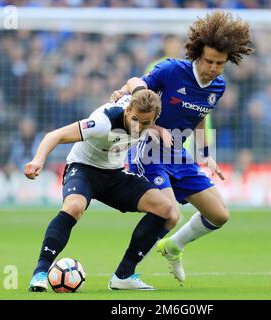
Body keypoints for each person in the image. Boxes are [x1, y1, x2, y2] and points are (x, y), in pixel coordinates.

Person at [110, 11, 254, 284]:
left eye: (220, 63)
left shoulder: (218, 86)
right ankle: (123, 275)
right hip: (148, 148)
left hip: (178, 152)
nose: (214, 68)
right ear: (198, 54)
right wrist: (141, 109)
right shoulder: (171, 70)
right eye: (209, 61)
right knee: (168, 212)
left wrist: (206, 155)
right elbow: (135, 83)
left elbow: (198, 117)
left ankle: (173, 246)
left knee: (220, 215)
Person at [26, 90, 179, 291]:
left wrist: (125, 88)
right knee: (74, 207)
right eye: (134, 120)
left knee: (166, 209)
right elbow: (56, 135)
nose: (138, 127)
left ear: (155, 119)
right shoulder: (102, 122)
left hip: (114, 174)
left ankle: (123, 276)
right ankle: (40, 273)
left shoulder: (141, 112)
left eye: (146, 123)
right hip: (83, 169)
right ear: (127, 110)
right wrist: (38, 160)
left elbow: (136, 82)